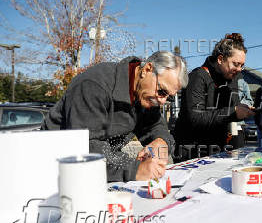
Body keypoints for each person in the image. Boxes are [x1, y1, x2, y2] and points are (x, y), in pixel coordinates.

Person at [42, 51, 188, 182]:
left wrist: (161, 142)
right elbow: (87, 147)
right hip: (53, 170)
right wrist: (135, 170)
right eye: (162, 91)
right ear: (147, 69)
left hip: (96, 172)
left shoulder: (146, 94)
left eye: (168, 97)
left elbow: (155, 125)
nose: (162, 101)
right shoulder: (93, 85)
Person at [174, 33, 255, 162]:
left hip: (218, 151)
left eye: (242, 65)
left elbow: (232, 112)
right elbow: (195, 118)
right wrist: (233, 111)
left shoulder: (231, 78)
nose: (239, 69)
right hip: (191, 152)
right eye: (235, 64)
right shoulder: (197, 77)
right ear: (220, 59)